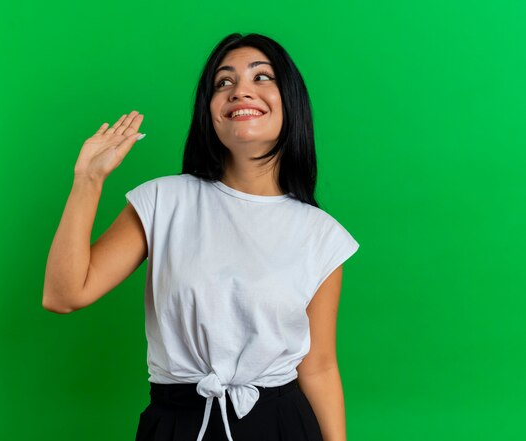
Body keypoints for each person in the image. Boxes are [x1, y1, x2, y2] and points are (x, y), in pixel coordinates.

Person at [43, 32, 360, 441]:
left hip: (281, 425)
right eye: (223, 83)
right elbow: (64, 295)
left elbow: (318, 366)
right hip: (177, 422)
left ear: (292, 103)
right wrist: (87, 180)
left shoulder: (320, 234)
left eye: (261, 77)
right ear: (209, 111)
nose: (240, 90)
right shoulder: (163, 200)